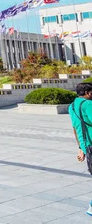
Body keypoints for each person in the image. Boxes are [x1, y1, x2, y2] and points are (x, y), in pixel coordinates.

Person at [68, 82, 92, 216]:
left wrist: (80, 148)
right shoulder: (89, 105)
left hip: (87, 146)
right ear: (88, 93)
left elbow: (75, 129)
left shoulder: (72, 107)